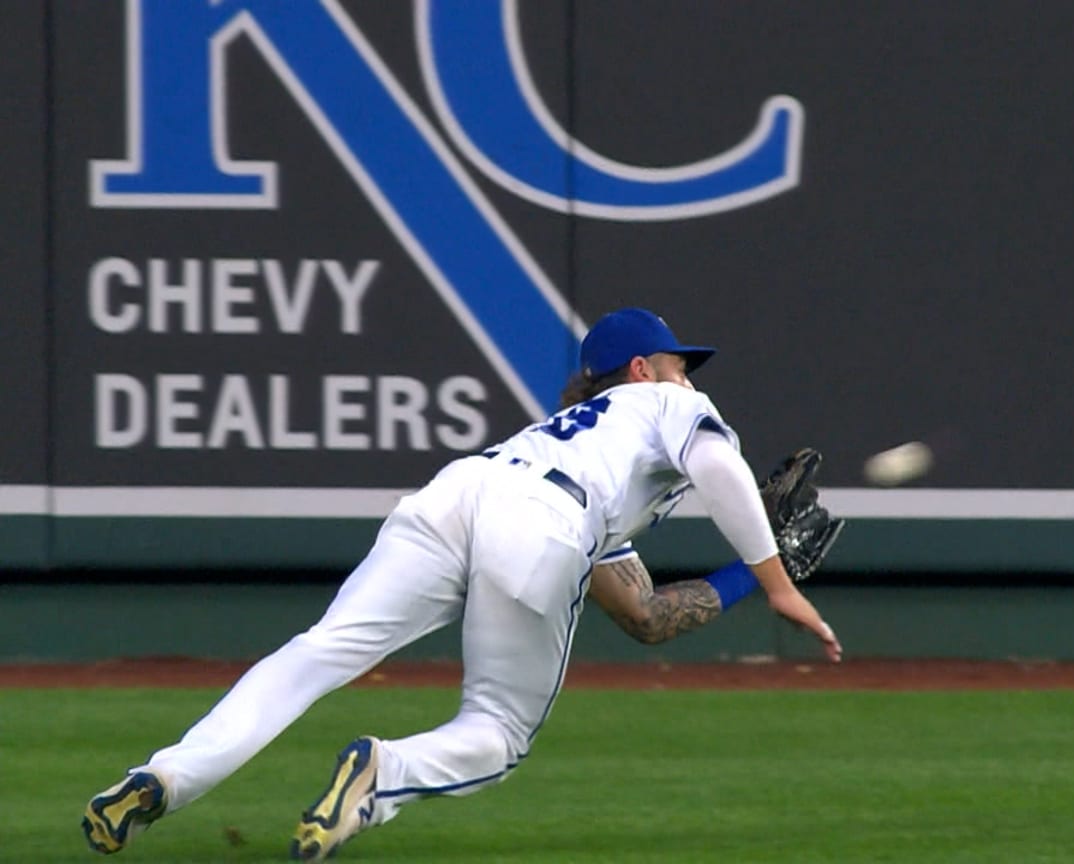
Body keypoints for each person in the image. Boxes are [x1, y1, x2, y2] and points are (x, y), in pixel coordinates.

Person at [81, 307, 843, 860]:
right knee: (499, 732)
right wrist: (774, 581)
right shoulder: (667, 403)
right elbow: (718, 466)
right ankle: (385, 773)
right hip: (542, 518)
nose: (688, 373)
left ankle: (162, 776)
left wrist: (745, 573)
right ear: (643, 371)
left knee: (314, 655)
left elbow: (644, 614)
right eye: (679, 360)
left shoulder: (585, 441)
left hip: (463, 493)